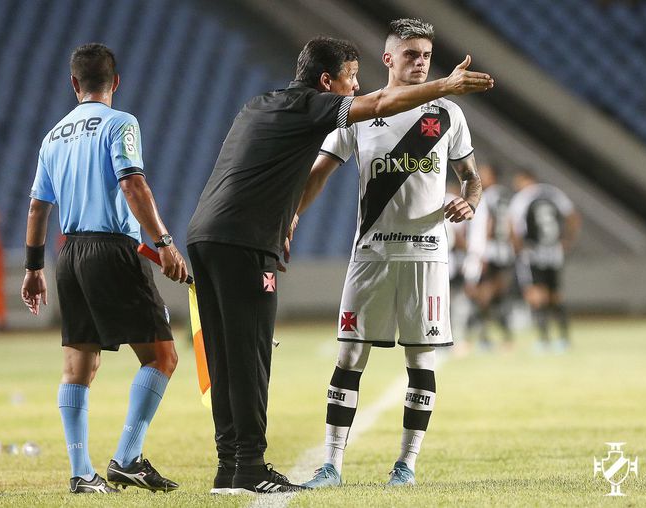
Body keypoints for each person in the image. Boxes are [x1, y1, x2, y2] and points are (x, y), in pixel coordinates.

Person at [186, 33, 492, 494]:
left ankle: (230, 466)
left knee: (224, 357)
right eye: (350, 78)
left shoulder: (261, 103)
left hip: (206, 234)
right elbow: (377, 107)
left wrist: (285, 220)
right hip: (256, 243)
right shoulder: (325, 108)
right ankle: (250, 466)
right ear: (327, 81)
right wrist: (447, 85)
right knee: (251, 354)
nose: (355, 86)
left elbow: (273, 171)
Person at [290, 19, 484, 489]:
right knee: (350, 355)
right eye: (411, 53)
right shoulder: (357, 112)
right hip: (371, 256)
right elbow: (319, 172)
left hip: (428, 258)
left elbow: (472, 179)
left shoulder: (448, 115)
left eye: (426, 55)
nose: (420, 62)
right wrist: (290, 216)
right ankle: (331, 464)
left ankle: (406, 466)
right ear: (388, 58)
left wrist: (469, 201)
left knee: (420, 363)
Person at [21, 43, 187, 494]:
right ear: (115, 82)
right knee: (162, 357)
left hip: (68, 254)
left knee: (78, 366)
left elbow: (38, 207)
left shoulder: (53, 136)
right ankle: (128, 458)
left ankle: (82, 473)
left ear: (74, 84)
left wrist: (34, 268)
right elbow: (133, 183)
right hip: (113, 249)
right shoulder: (121, 123)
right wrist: (165, 242)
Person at [509, 169, 581, 352]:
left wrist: (518, 250)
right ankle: (564, 339)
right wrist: (567, 240)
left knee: (535, 295)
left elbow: (513, 226)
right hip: (554, 252)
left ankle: (544, 340)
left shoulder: (522, 198)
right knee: (555, 295)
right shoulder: (553, 193)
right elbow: (573, 216)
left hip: (533, 252)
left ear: (526, 179)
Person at [462, 163, 515, 350]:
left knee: (481, 296)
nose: (480, 176)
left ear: (492, 175)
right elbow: (511, 224)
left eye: (484, 173)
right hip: (504, 252)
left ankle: (478, 339)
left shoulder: (485, 196)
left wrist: (480, 254)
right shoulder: (506, 195)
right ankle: (505, 339)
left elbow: (488, 225)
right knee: (496, 296)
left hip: (487, 252)